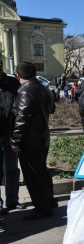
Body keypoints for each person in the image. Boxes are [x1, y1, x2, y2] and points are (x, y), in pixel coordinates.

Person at [10, 62, 57, 220]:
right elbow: (51, 108)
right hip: (42, 136)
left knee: (33, 175)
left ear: (18, 76)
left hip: (31, 141)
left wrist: (16, 140)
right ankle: (49, 202)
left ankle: (42, 208)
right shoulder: (42, 87)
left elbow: (22, 118)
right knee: (42, 171)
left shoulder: (25, 91)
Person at [0, 62, 25, 215]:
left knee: (11, 168)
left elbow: (20, 105)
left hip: (10, 133)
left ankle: (12, 201)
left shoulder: (12, 83)